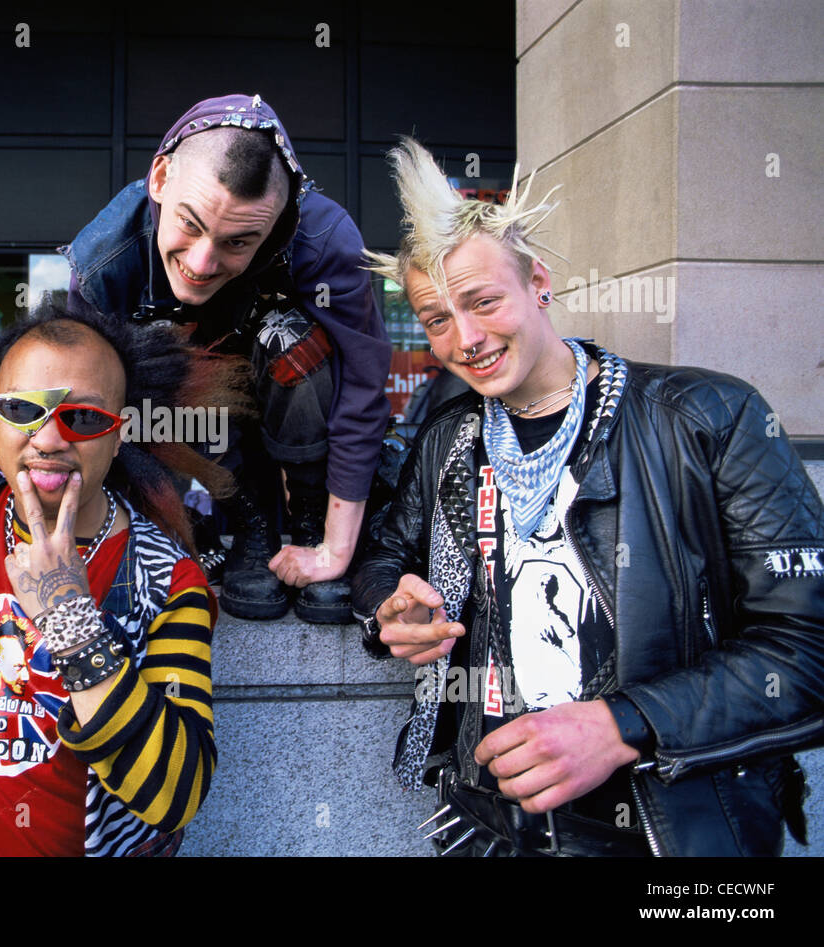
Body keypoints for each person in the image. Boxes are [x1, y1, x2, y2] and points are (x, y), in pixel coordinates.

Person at [352, 138, 824, 856]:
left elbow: (806, 647)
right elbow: (385, 557)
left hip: (679, 832)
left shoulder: (706, 416)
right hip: (489, 827)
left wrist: (624, 722)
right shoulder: (450, 438)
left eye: (482, 302)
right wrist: (390, 605)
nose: (466, 339)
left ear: (538, 280)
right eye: (438, 318)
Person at [0, 305, 246, 856]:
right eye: (22, 409)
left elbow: (176, 794)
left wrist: (70, 616)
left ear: (119, 433)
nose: (48, 439)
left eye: (82, 417)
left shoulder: (167, 581)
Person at [60, 93, 392, 623]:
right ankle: (250, 522)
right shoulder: (105, 262)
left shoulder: (323, 240)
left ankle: (305, 519)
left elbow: (362, 393)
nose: (201, 262)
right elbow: (87, 415)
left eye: (239, 242)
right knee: (155, 359)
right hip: (199, 439)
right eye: (190, 225)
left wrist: (336, 547)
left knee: (292, 340)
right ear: (161, 178)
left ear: (281, 220)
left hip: (301, 423)